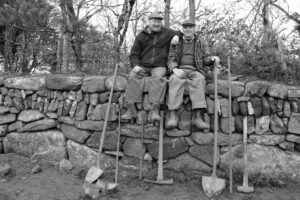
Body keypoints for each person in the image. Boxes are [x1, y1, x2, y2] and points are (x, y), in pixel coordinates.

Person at [121, 12, 179, 121]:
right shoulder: (141, 35)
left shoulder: (167, 32)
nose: (157, 24)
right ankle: (130, 109)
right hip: (143, 65)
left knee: (158, 77)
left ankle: (155, 109)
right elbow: (134, 53)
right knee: (133, 76)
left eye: (159, 22)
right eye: (154, 21)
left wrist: (176, 36)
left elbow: (181, 33)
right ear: (149, 22)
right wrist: (135, 66)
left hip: (159, 65)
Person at [166, 20, 220, 130]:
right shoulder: (176, 42)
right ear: (183, 30)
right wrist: (175, 69)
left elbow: (205, 58)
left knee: (200, 80)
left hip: (195, 70)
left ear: (194, 29)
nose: (188, 30)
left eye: (190, 27)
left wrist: (211, 59)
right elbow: (170, 58)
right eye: (185, 28)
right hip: (180, 70)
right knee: (174, 80)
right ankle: (172, 115)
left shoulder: (200, 42)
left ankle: (197, 116)